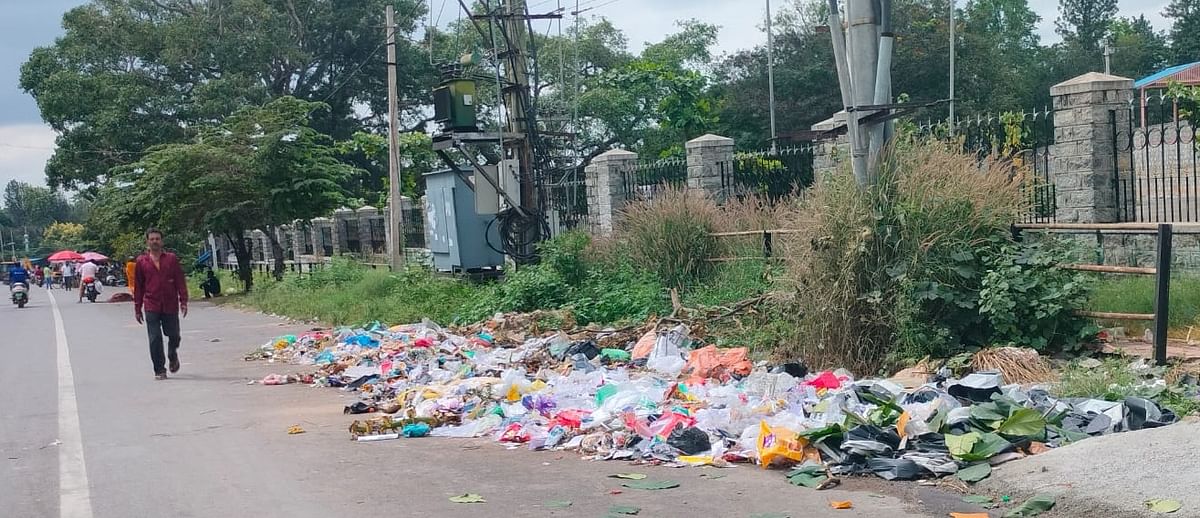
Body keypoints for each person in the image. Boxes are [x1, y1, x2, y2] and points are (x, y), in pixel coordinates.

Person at [133, 229, 188, 380]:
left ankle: (172, 354)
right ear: (147, 242)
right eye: (152, 239)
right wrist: (137, 308)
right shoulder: (141, 262)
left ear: (161, 241)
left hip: (170, 304)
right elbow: (139, 286)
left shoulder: (171, 259)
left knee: (174, 335)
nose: (155, 241)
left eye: (157, 239)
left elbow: (180, 280)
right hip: (151, 304)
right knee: (155, 338)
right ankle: (159, 370)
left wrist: (184, 301)